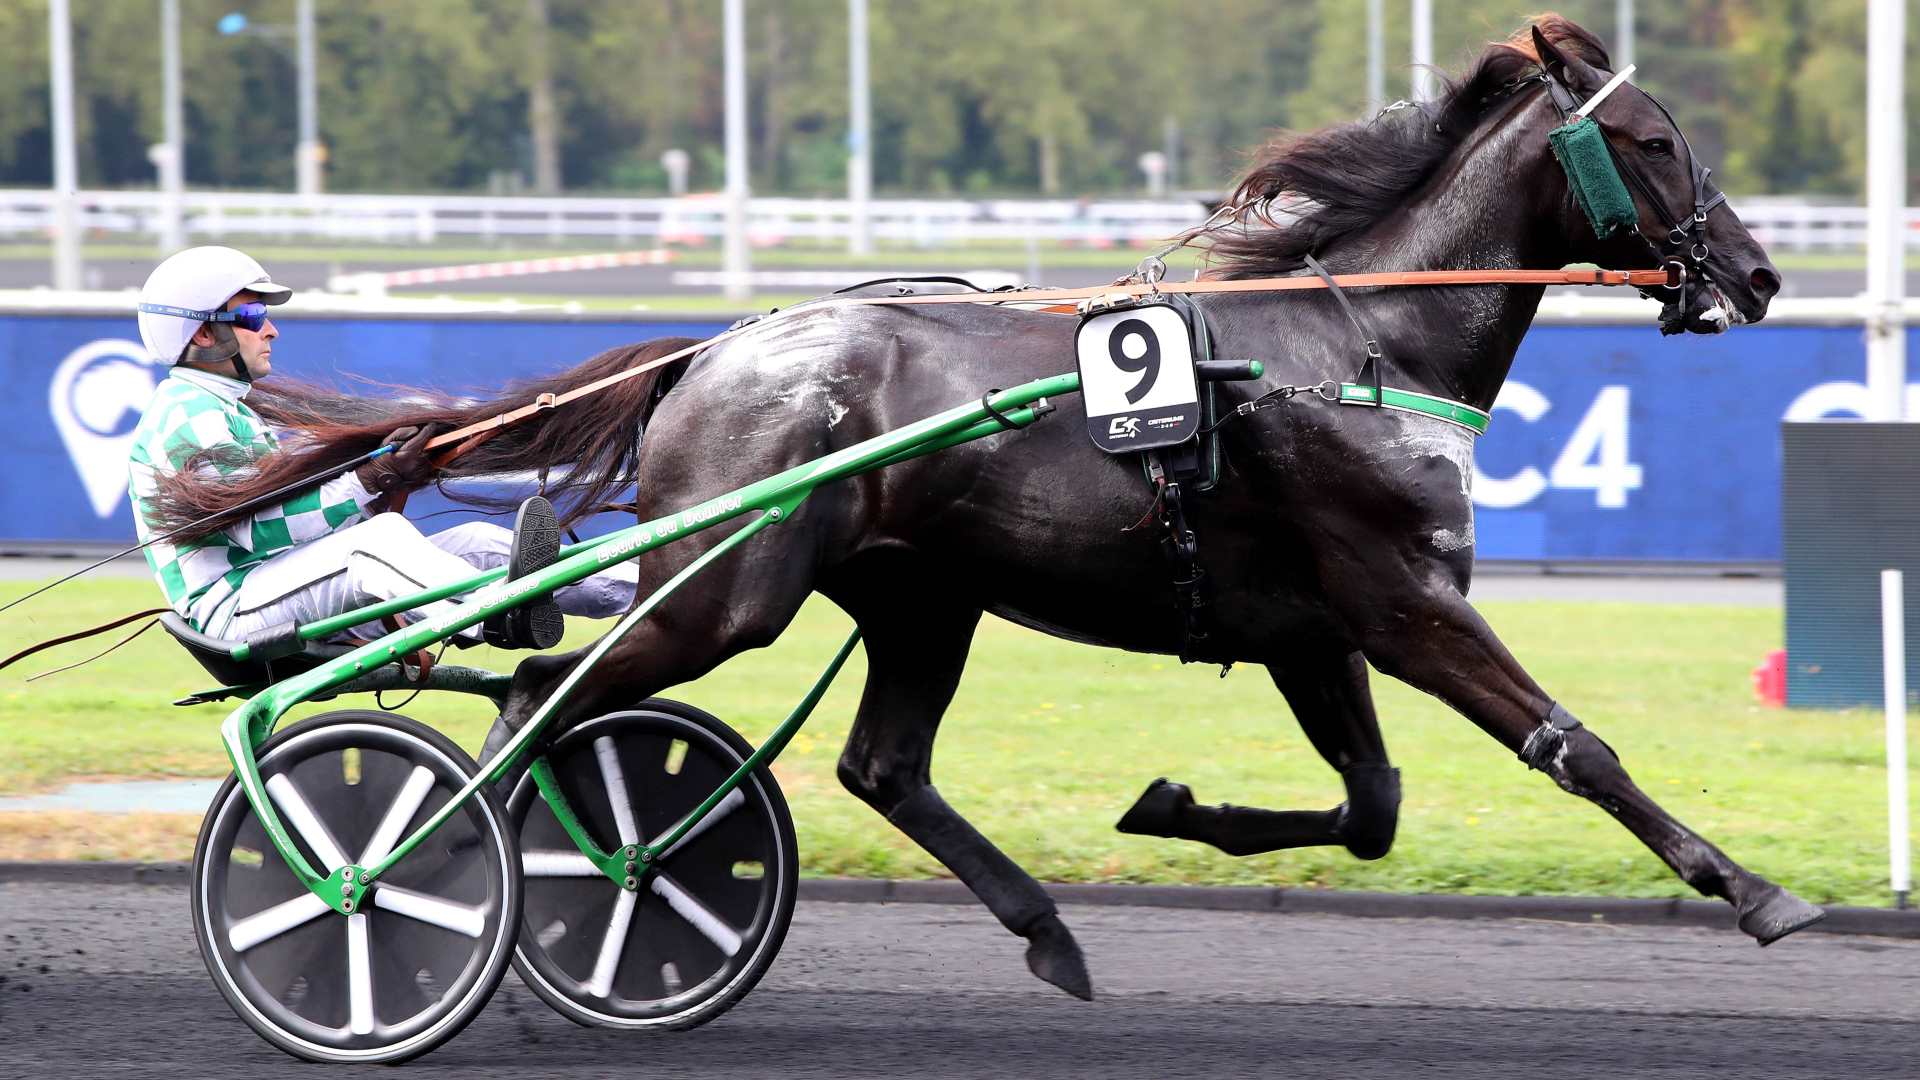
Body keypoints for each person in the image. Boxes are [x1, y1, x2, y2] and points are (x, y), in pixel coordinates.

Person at [125, 245, 636, 647]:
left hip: (276, 588)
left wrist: (387, 478)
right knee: (377, 543)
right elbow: (256, 534)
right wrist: (370, 479)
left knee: (477, 542)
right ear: (203, 335)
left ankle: (647, 590)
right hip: (236, 608)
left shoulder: (231, 408)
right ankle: (494, 617)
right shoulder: (189, 412)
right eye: (254, 317)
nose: (272, 330)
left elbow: (294, 530)